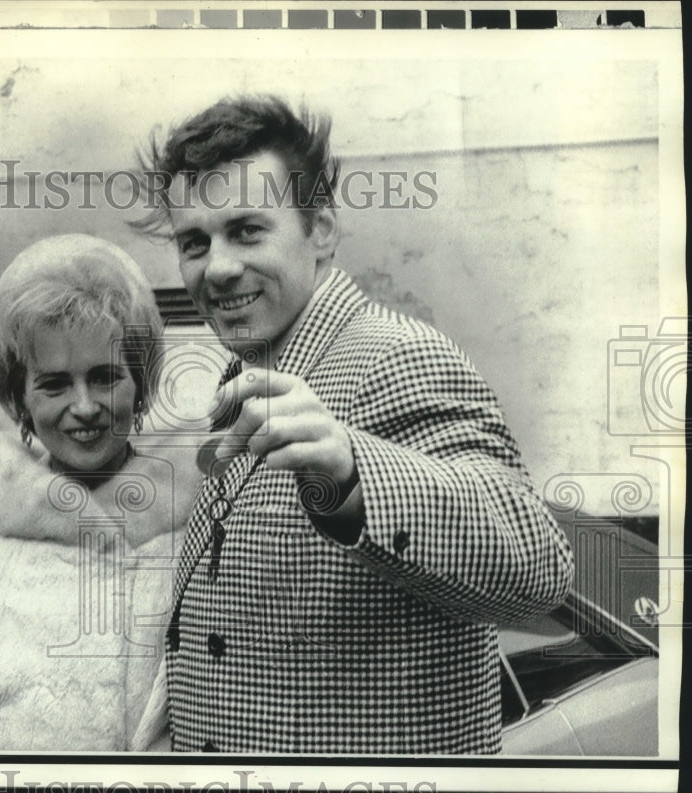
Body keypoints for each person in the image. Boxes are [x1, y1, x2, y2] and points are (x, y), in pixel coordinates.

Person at [133, 96, 575, 754]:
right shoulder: (247, 380)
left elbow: (537, 563)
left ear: (322, 231)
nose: (218, 267)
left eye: (247, 230)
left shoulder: (397, 355)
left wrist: (353, 472)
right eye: (194, 242)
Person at [0, 234, 197, 750]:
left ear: (140, 385)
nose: (83, 407)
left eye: (104, 378)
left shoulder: (193, 534)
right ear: (20, 400)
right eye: (54, 384)